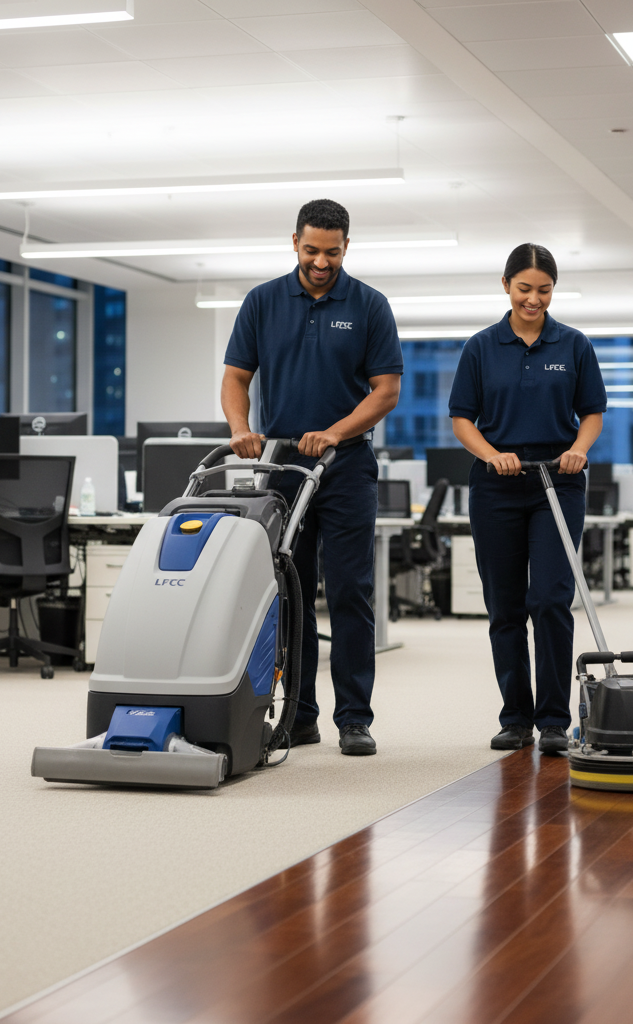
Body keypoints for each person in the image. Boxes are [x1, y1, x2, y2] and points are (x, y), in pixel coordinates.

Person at [221, 198, 402, 756]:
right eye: (310, 250)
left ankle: (354, 718)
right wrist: (240, 428)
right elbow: (235, 378)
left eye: (331, 251)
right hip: (282, 469)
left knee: (351, 592)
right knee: (288, 592)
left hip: (345, 467)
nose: (321, 262)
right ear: (294, 242)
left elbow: (386, 391)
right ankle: (299, 714)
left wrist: (336, 431)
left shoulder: (369, 305)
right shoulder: (262, 302)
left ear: (347, 246)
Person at [448, 243, 607, 754]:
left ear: (553, 291)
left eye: (543, 290)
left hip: (557, 481)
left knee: (550, 599)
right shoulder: (481, 346)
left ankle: (555, 720)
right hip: (497, 483)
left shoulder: (574, 345)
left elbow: (592, 413)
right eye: (524, 288)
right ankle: (515, 716)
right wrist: (492, 454)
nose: (533, 299)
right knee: (506, 605)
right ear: (506, 285)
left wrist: (580, 450)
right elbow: (462, 420)